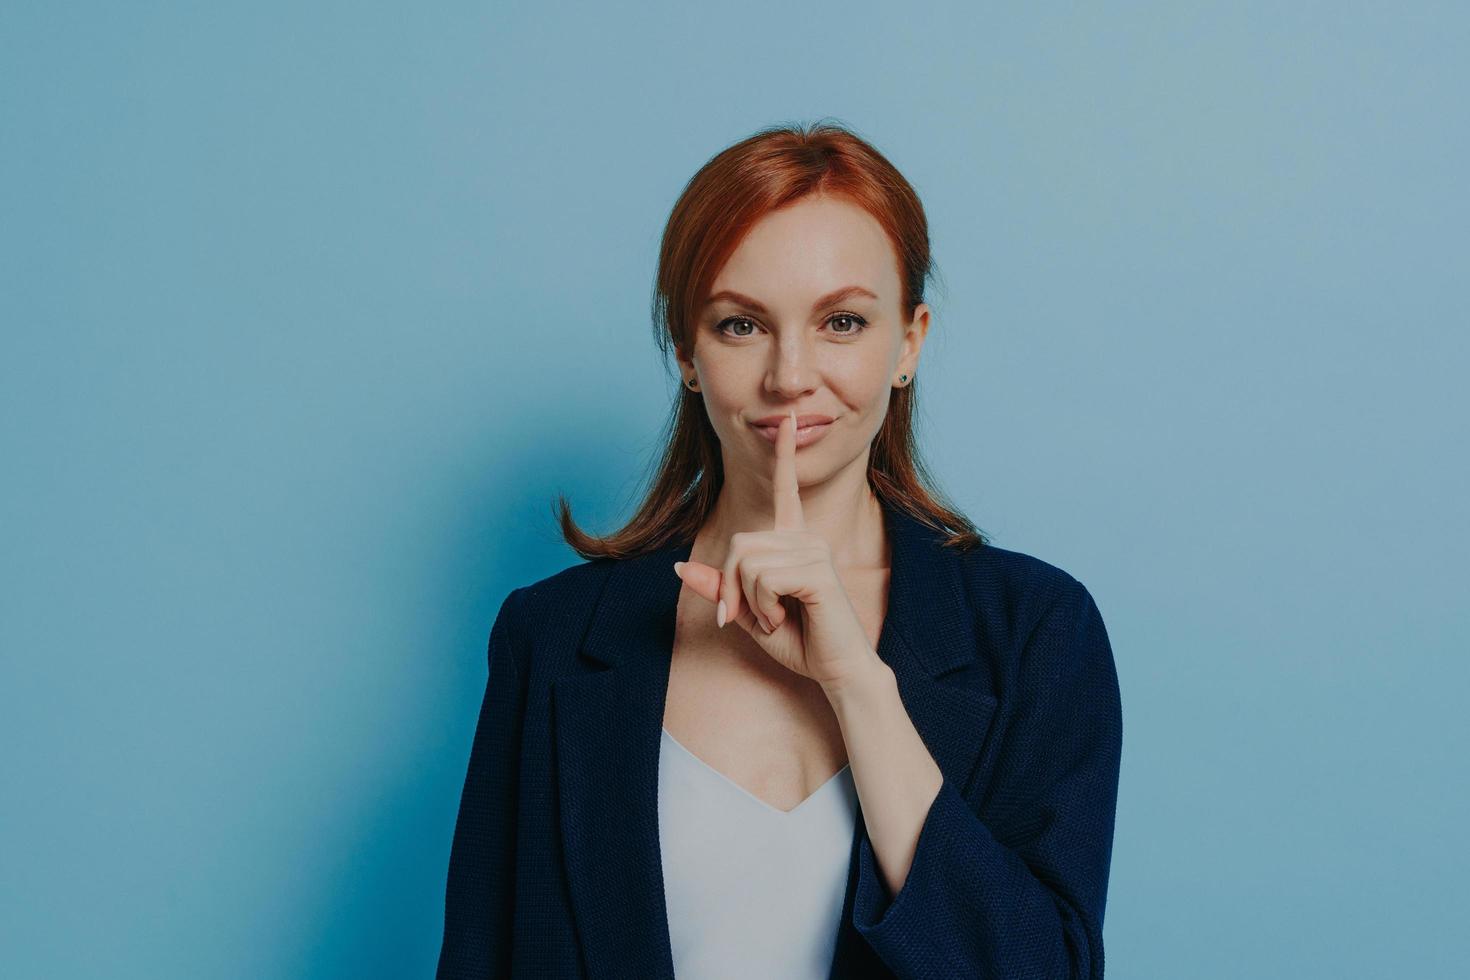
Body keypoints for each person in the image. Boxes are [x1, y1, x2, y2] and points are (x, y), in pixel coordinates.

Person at [437, 121, 1122, 979]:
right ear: (685, 349)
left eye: (841, 321)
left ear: (908, 342)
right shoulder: (550, 636)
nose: (790, 374)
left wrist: (857, 687)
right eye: (739, 325)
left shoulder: (1036, 632)